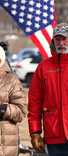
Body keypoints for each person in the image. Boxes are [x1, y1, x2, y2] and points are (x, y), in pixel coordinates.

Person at [28, 23, 68, 155]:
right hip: (54, 136)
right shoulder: (43, 67)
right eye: (58, 39)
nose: (61, 43)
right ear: (53, 41)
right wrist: (35, 132)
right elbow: (34, 103)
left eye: (64, 39)